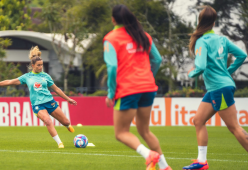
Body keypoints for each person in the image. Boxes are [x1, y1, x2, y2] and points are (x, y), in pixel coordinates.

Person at [104, 5, 172, 170]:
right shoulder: (143, 35)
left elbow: (112, 67)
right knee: (145, 130)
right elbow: (157, 60)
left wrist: (111, 93)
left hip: (128, 90)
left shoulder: (111, 38)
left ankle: (148, 155)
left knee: (121, 133)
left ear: (113, 19)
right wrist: (148, 77)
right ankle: (165, 167)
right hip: (148, 88)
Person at [183, 6, 248, 170]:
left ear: (200, 21)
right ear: (214, 22)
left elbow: (201, 65)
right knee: (198, 120)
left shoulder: (202, 41)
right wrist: (228, 71)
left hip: (219, 89)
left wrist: (191, 74)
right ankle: (202, 162)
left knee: (234, 128)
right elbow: (242, 56)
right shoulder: (222, 40)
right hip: (217, 88)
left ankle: (202, 162)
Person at [0, 46, 77, 148]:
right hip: (38, 105)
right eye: (38, 65)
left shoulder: (46, 76)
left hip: (49, 101)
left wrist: (68, 99)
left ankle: (67, 125)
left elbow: (56, 89)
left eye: (42, 65)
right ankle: (59, 143)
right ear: (33, 65)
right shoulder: (27, 77)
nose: (40, 67)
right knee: (47, 121)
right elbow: (9, 82)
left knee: (66, 121)